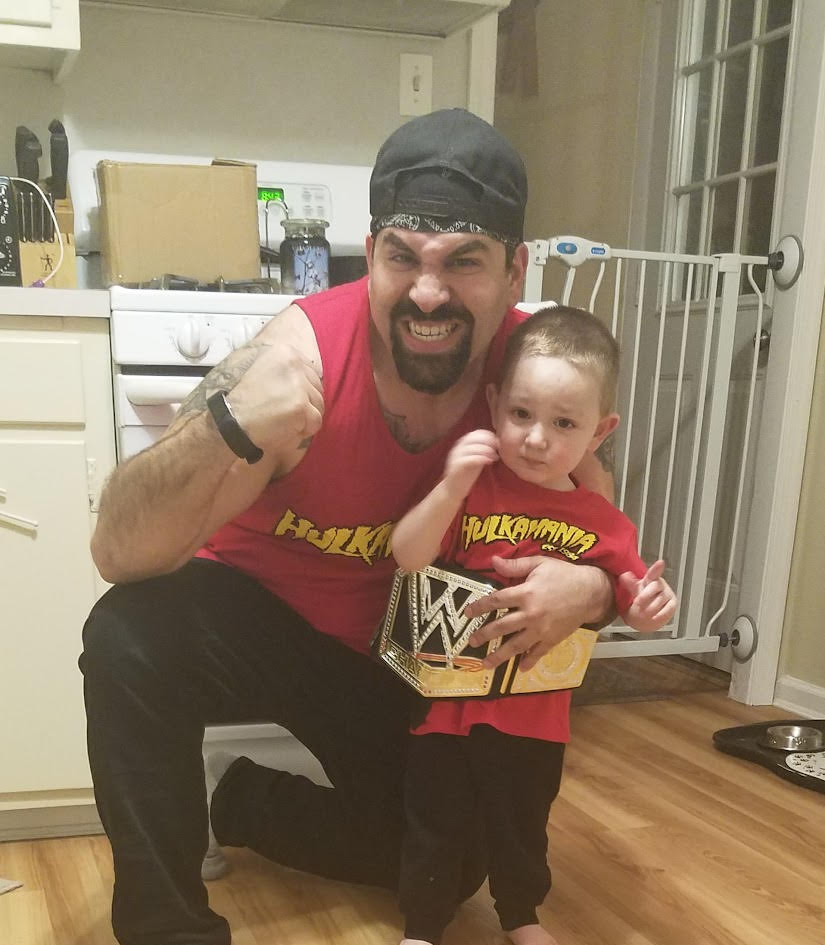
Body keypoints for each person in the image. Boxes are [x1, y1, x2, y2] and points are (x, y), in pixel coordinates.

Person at [82, 108, 622, 945]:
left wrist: (590, 590)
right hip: (255, 618)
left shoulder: (537, 376)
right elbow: (115, 550)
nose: (428, 292)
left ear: (514, 269)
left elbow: (601, 528)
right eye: (403, 257)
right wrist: (231, 421)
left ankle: (243, 800)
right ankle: (167, 930)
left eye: (463, 261)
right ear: (370, 255)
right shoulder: (299, 352)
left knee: (449, 863)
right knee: (126, 633)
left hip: (395, 658)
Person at [390, 306, 677, 945]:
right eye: (521, 413)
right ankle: (423, 926)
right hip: (446, 704)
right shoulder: (473, 488)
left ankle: (520, 915)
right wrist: (451, 486)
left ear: (600, 431)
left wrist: (651, 606)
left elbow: (628, 600)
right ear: (494, 404)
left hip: (537, 715)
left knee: (522, 821)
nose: (537, 439)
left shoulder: (604, 522)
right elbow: (406, 555)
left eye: (564, 422)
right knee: (435, 818)